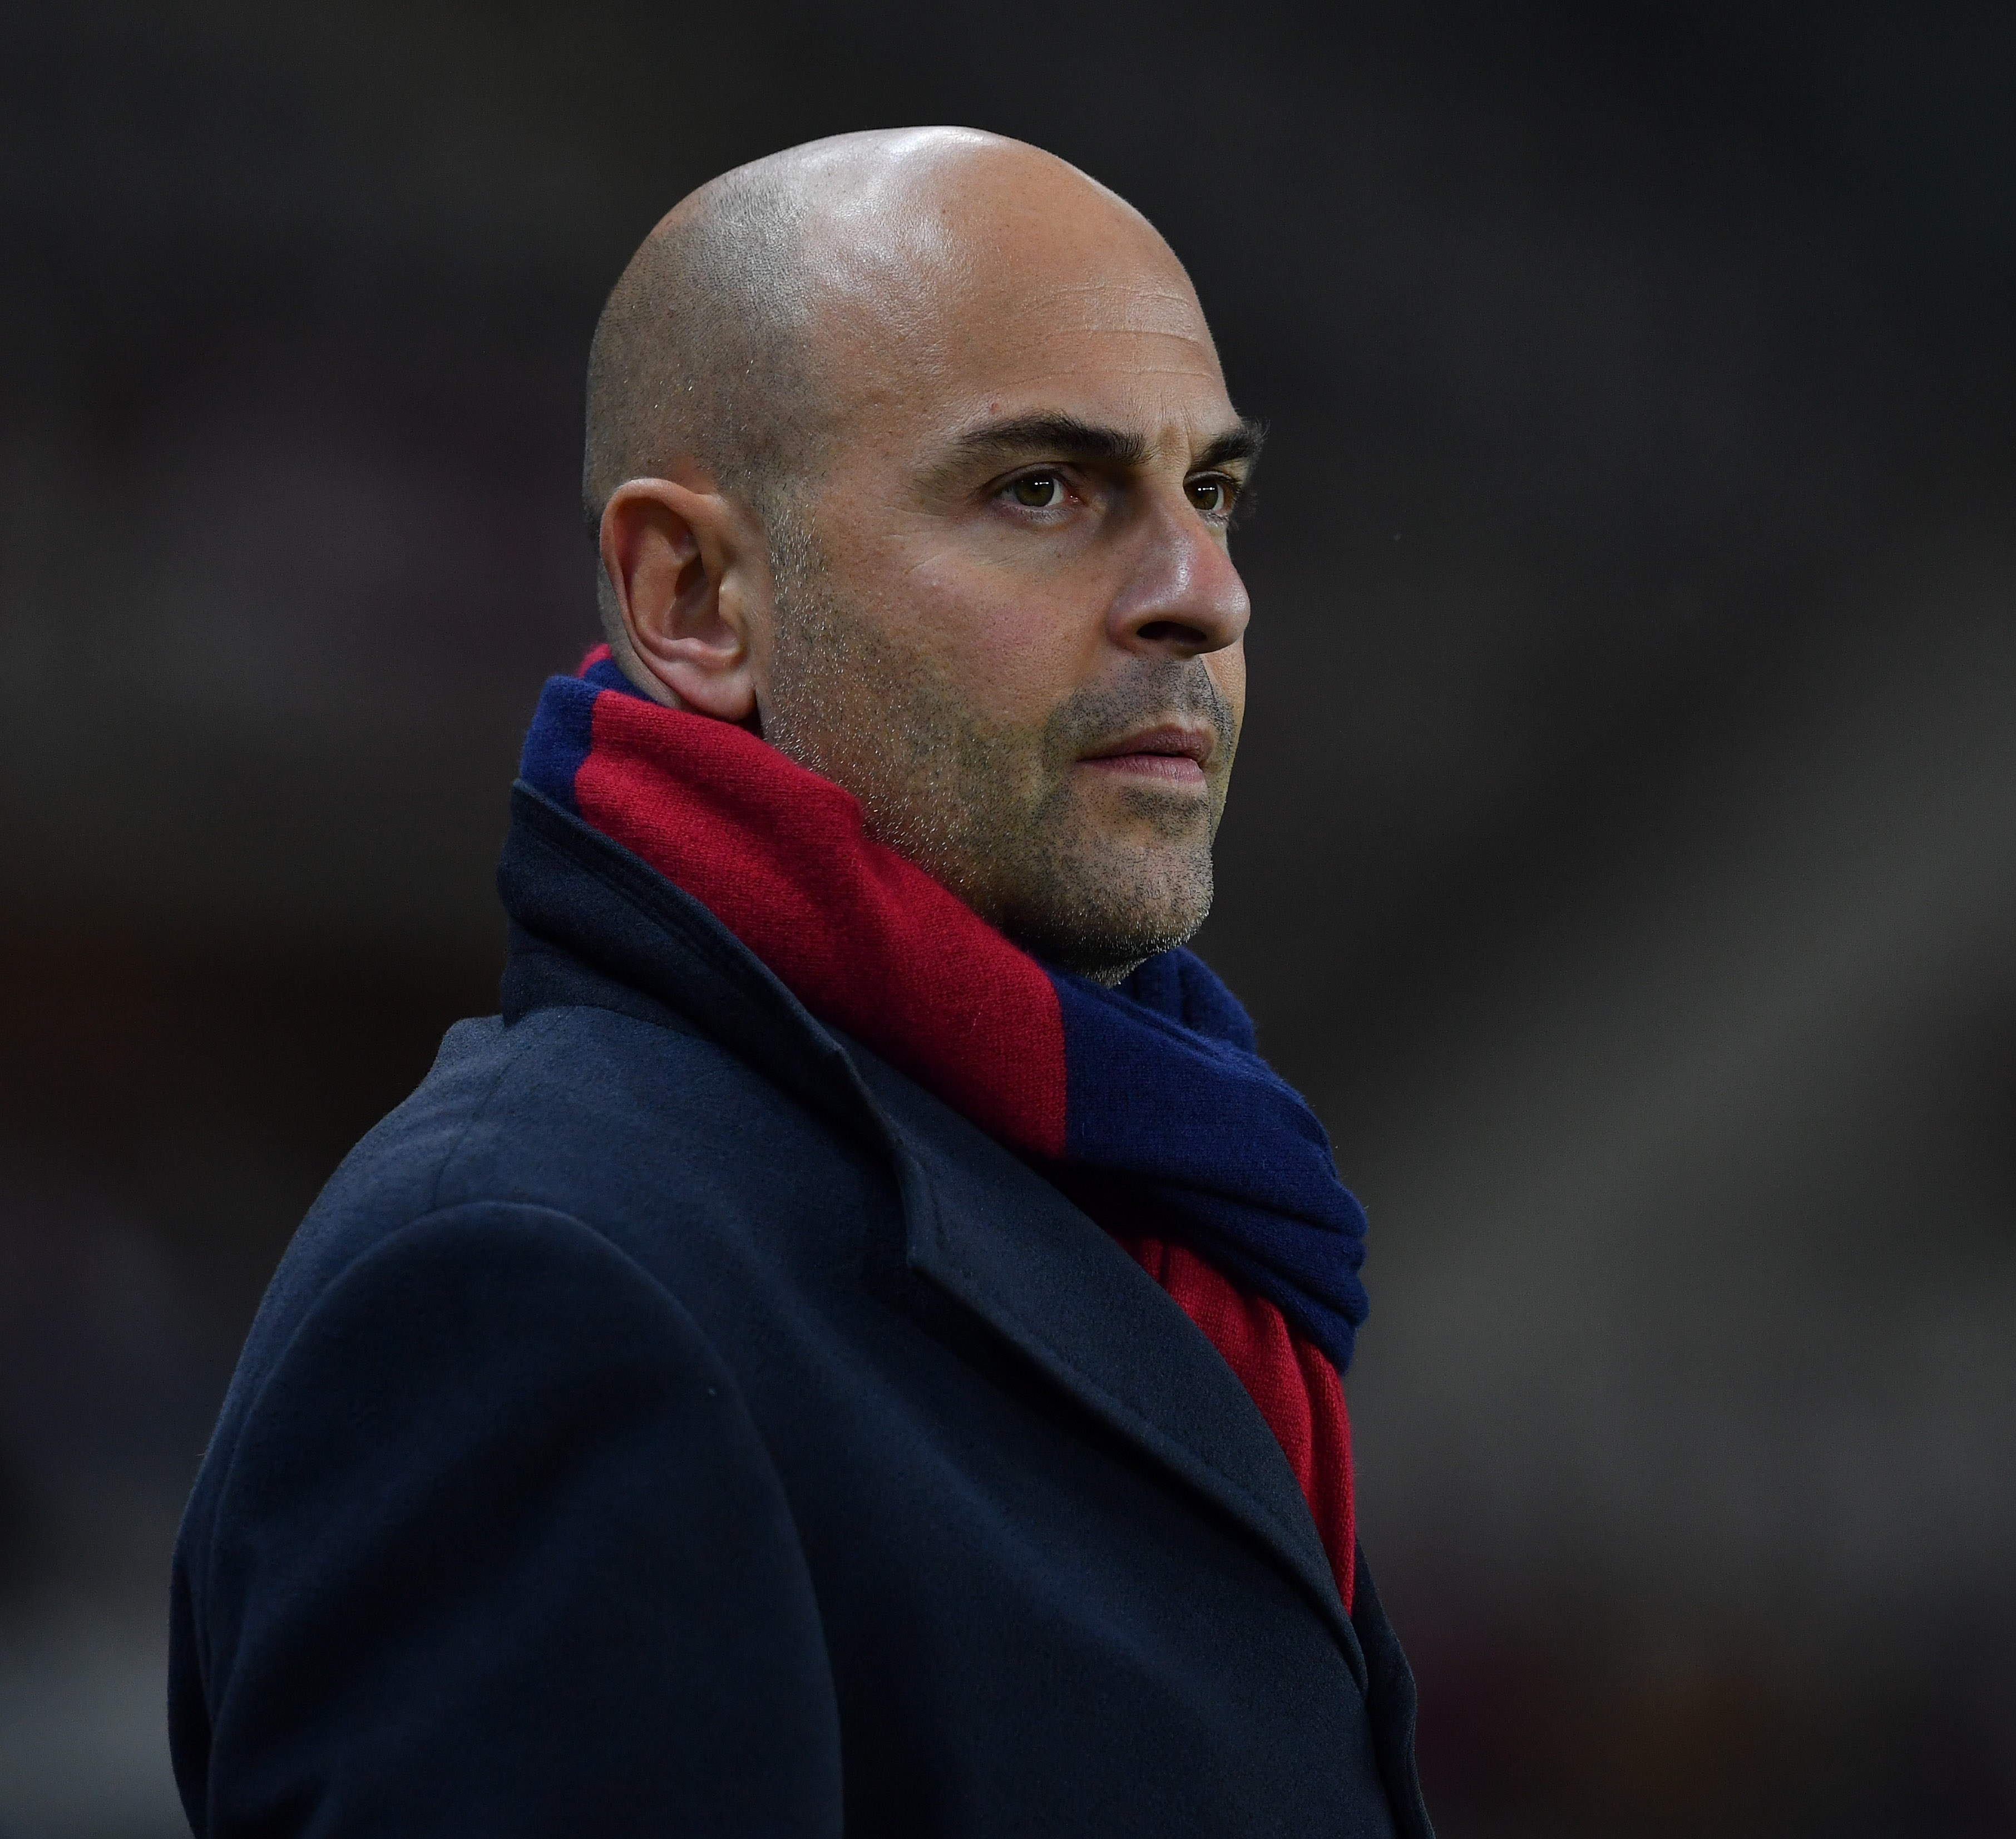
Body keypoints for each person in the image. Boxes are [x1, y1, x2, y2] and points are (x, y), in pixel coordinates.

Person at [167, 128, 1428, 1838]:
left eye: (1209, 493)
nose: (1202, 596)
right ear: (694, 601)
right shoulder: (527, 1283)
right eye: (1041, 490)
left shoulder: (1165, 1193)